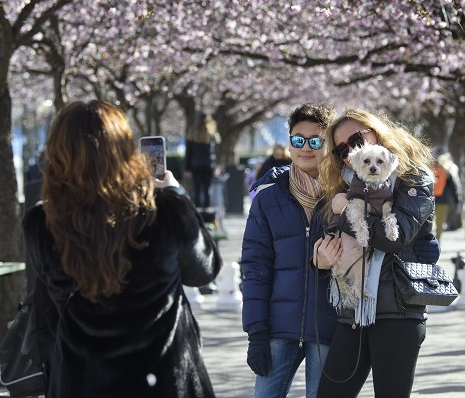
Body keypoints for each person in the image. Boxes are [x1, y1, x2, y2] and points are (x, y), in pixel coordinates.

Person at [23, 100, 222, 397]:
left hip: (82, 377)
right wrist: (178, 196)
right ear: (124, 150)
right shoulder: (166, 209)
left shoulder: (42, 222)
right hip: (163, 376)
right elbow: (204, 271)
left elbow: (58, 294)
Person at [314, 108, 435, 398]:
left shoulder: (414, 179)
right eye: (343, 148)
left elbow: (394, 238)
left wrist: (346, 211)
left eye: (358, 137)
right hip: (352, 310)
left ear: (377, 130)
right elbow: (330, 240)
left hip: (398, 312)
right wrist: (318, 259)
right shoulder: (346, 184)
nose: (352, 148)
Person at [240, 103, 339, 398]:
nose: (305, 148)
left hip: (328, 327)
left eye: (315, 141)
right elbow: (255, 268)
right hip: (277, 328)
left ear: (328, 144)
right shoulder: (267, 199)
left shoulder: (345, 197)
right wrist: (256, 332)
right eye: (298, 139)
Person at [185, 112, 220, 209]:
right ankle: (207, 211)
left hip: (195, 165)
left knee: (196, 190)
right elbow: (213, 153)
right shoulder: (211, 135)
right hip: (208, 165)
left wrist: (187, 168)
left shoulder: (192, 135)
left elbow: (189, 153)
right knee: (207, 190)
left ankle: (197, 212)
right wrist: (215, 165)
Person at [432, 148, 462, 239]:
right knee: (440, 223)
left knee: (429, 222)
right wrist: (457, 201)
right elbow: (454, 186)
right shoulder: (448, 167)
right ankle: (437, 241)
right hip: (443, 200)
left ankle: (428, 241)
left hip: (430, 199)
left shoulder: (430, 167)